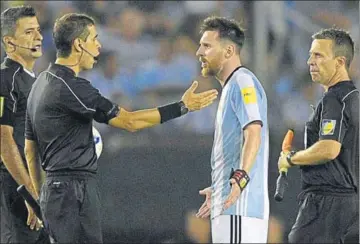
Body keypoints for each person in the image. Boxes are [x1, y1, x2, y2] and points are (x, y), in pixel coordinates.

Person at [25, 13, 218, 243]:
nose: (98, 46)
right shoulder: (73, 87)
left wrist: (37, 198)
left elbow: (30, 149)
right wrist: (182, 107)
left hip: (53, 192)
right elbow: (130, 121)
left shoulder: (39, 84)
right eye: (94, 40)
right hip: (72, 194)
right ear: (78, 44)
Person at [277, 27, 359, 243]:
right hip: (349, 205)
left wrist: (291, 158)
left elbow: (328, 149)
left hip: (327, 205)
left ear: (340, 62)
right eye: (310, 54)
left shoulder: (334, 99)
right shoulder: (354, 98)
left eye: (318, 55)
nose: (309, 61)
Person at [195, 16, 269, 243]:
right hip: (229, 206)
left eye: (207, 46)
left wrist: (240, 178)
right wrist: (219, 187)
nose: (199, 52)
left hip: (240, 208)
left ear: (228, 51)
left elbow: (254, 132)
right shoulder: (231, 87)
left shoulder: (243, 82)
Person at [0, 6, 49, 244]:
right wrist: (29, 193)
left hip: (36, 191)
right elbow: (3, 139)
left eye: (38, 30)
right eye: (29, 32)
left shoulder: (35, 81)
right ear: (9, 43)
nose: (39, 37)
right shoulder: (5, 79)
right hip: (13, 190)